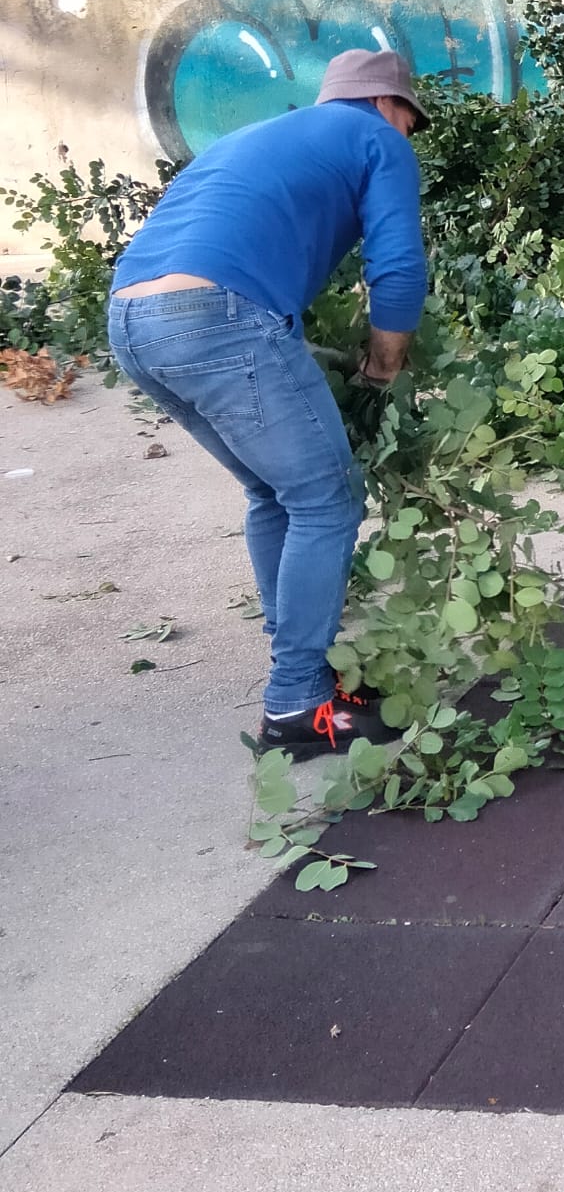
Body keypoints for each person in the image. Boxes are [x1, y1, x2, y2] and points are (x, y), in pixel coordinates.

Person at [107, 48, 432, 756]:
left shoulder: (261, 137)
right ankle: (296, 705)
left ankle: (303, 670)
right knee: (326, 499)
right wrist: (383, 366)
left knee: (274, 491)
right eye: (412, 119)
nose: (411, 134)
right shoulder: (376, 139)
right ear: (386, 104)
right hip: (213, 315)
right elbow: (400, 267)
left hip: (131, 324)